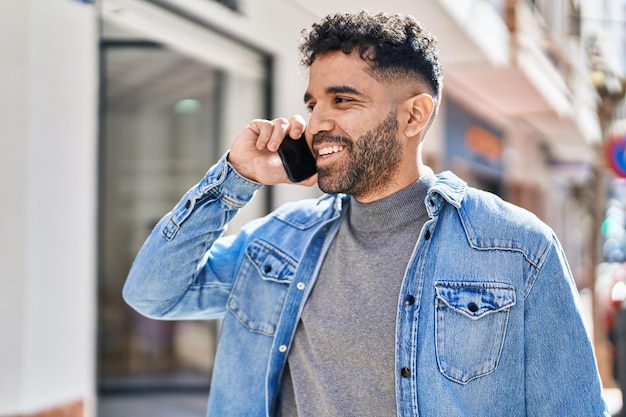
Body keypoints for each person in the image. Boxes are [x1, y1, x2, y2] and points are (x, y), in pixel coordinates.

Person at [123, 10, 610, 417]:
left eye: (343, 100)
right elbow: (153, 294)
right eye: (313, 104)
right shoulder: (279, 242)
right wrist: (235, 177)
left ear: (413, 116)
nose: (317, 123)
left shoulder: (518, 249)